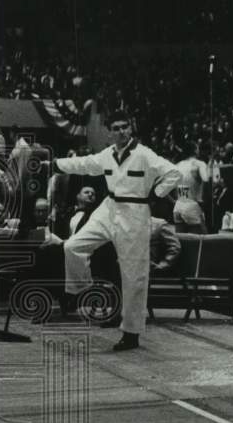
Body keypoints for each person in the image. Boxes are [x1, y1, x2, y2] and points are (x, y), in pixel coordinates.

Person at [51, 110, 181, 352]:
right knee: (72, 246)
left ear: (131, 128)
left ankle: (131, 333)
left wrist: (156, 193)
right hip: (109, 208)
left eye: (125, 127)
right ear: (109, 132)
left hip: (135, 213)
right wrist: (56, 164)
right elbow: (84, 164)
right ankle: (81, 288)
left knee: (134, 276)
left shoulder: (144, 154)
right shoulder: (107, 154)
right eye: (117, 128)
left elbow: (174, 173)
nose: (122, 131)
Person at [173, 143, 210, 234]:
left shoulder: (178, 165)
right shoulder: (199, 164)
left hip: (178, 206)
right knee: (202, 240)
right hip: (192, 205)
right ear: (195, 150)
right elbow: (206, 180)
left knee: (181, 241)